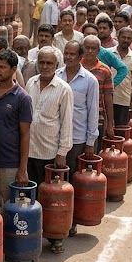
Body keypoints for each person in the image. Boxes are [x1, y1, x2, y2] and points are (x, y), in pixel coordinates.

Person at [0, 49, 32, 262]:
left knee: (12, 213)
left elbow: (25, 135)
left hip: (10, 165)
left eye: (3, 67)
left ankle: (15, 259)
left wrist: (23, 169)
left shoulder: (22, 97)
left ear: (14, 70)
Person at [26, 46, 73, 253]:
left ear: (57, 65)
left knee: (52, 199)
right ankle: (33, 235)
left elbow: (66, 123)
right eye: (41, 62)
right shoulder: (30, 83)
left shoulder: (63, 89)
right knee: (30, 197)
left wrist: (62, 152)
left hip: (49, 152)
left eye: (49, 63)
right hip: (28, 151)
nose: (44, 66)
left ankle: (54, 238)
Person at [56, 41, 99, 247]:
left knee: (72, 182)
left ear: (80, 56)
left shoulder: (89, 81)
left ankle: (70, 222)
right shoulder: (56, 75)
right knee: (56, 182)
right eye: (66, 52)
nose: (68, 56)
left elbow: (93, 112)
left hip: (78, 139)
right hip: (56, 139)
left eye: (72, 53)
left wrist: (90, 141)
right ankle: (55, 221)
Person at [81, 35, 116, 142]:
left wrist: (110, 124)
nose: (90, 51)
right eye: (87, 48)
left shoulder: (105, 70)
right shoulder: (75, 67)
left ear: (98, 50)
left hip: (98, 118)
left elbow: (108, 98)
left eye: (93, 48)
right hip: (77, 118)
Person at [113, 28, 132, 127]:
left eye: (129, 38)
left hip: (124, 99)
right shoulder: (108, 54)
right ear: (118, 37)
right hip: (107, 98)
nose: (126, 40)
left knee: (121, 129)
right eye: (123, 37)